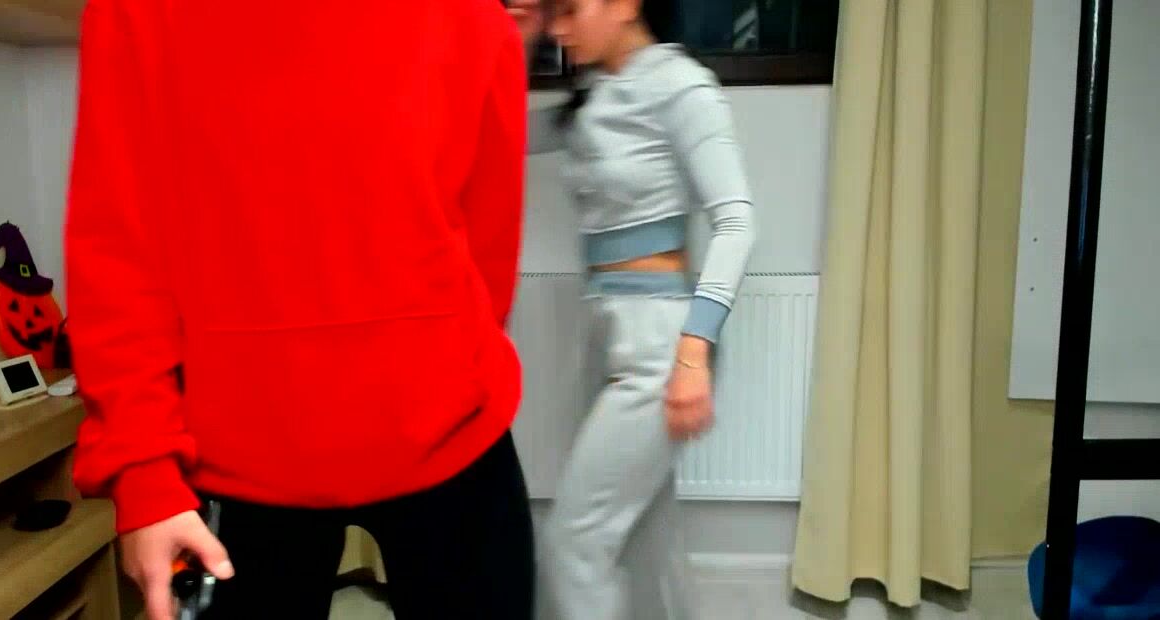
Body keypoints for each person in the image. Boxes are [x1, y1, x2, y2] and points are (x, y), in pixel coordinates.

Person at [66, 1, 533, 618]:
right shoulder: (138, 13)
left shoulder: (475, 18)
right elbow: (117, 250)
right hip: (230, 463)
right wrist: (144, 474)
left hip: (457, 442)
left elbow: (488, 242)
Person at [509, 0, 756, 618]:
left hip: (660, 343)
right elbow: (500, 129)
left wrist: (693, 355)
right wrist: (518, 37)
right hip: (608, 330)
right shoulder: (594, 96)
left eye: (570, 10)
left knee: (577, 542)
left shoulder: (680, 86)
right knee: (644, 542)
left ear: (625, 4)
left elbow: (736, 223)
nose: (559, 29)